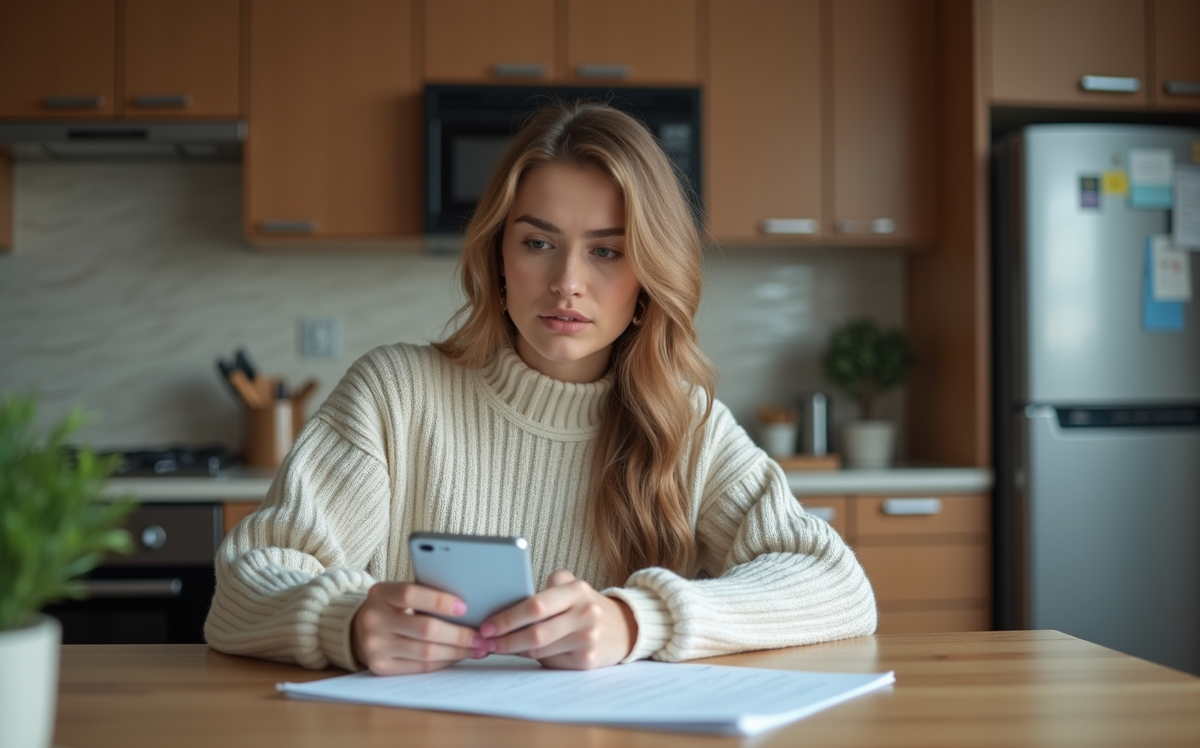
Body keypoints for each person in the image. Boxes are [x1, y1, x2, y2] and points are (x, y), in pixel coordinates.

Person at [205, 100, 876, 675]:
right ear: (498, 256)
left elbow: (838, 587)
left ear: (649, 276)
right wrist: (344, 623)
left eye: (607, 251)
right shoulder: (395, 395)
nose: (567, 283)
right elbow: (241, 589)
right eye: (537, 243)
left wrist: (634, 620)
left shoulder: (686, 423)